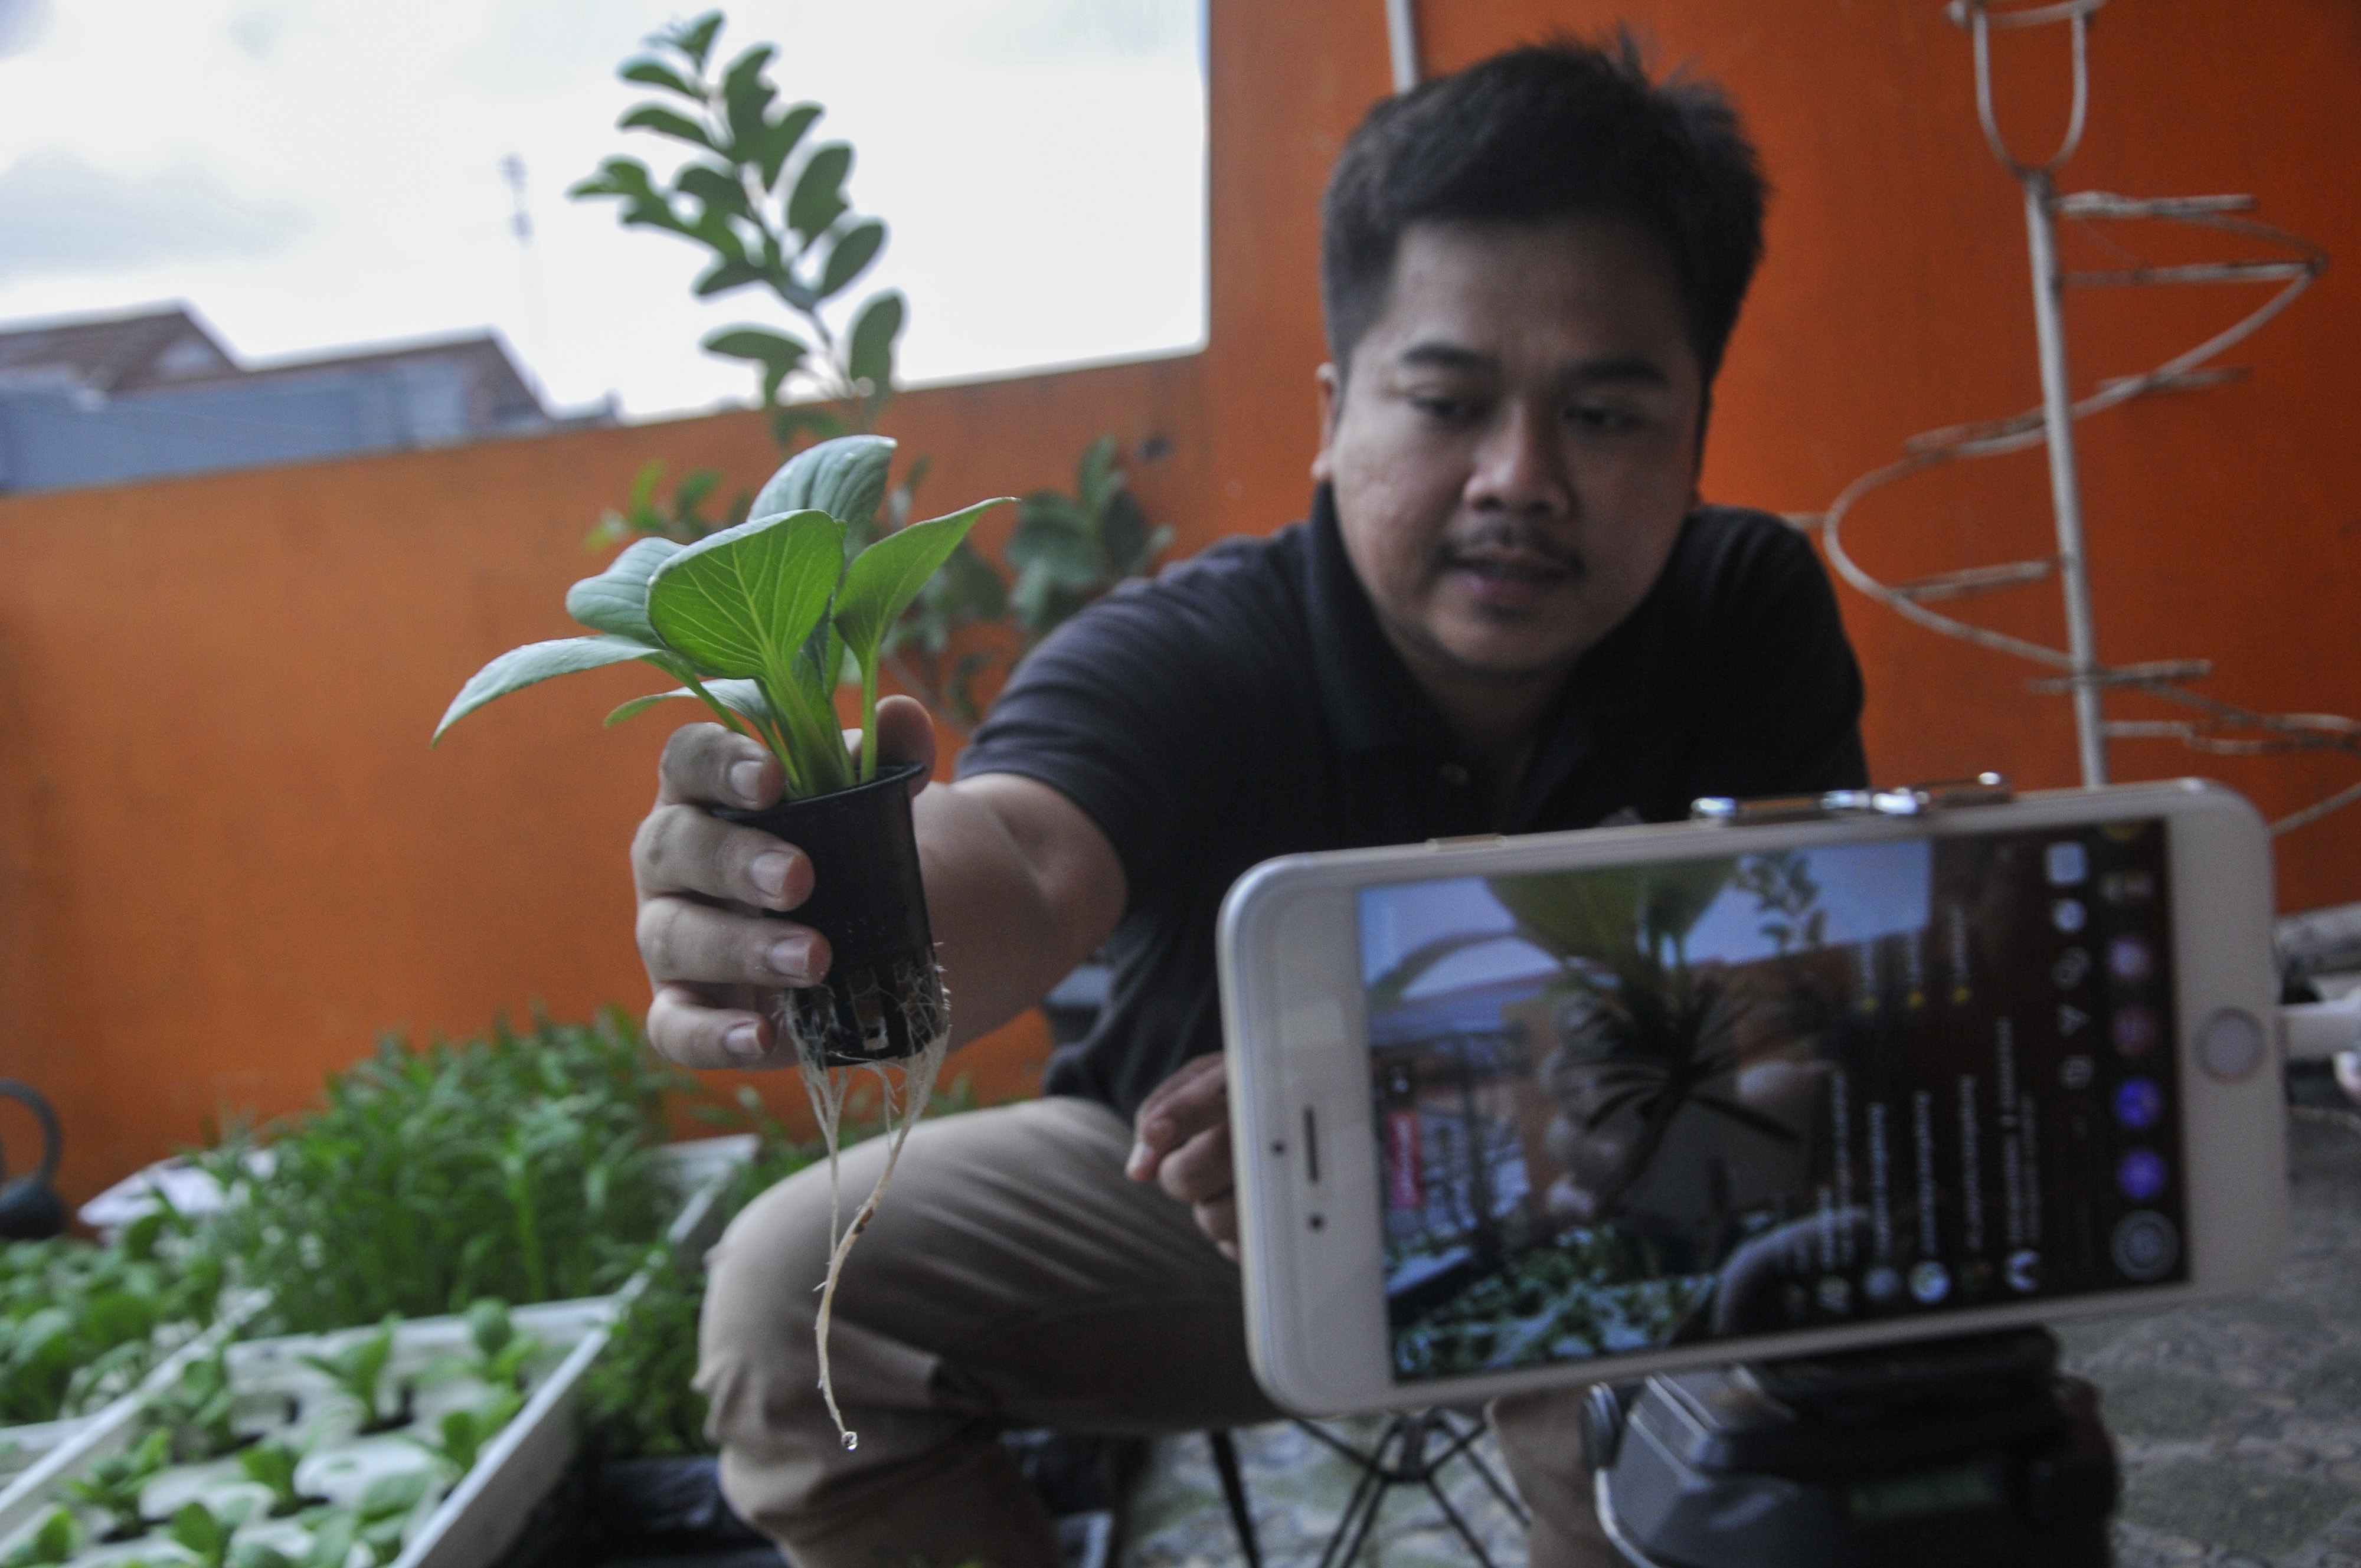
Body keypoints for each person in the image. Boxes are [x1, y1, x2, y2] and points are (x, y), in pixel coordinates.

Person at [629, 34, 1867, 1568]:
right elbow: (1022, 850)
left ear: (1697, 435)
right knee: (792, 1287)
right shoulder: (1199, 647)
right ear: (1337, 414)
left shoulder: (1740, 609)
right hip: (1209, 1210)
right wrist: (817, 898)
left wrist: (1478, 1081)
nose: (1520, 476)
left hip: (1612, 1192)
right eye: (1448, 401)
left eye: (1606, 416)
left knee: (1636, 1246)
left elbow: (1805, 987)